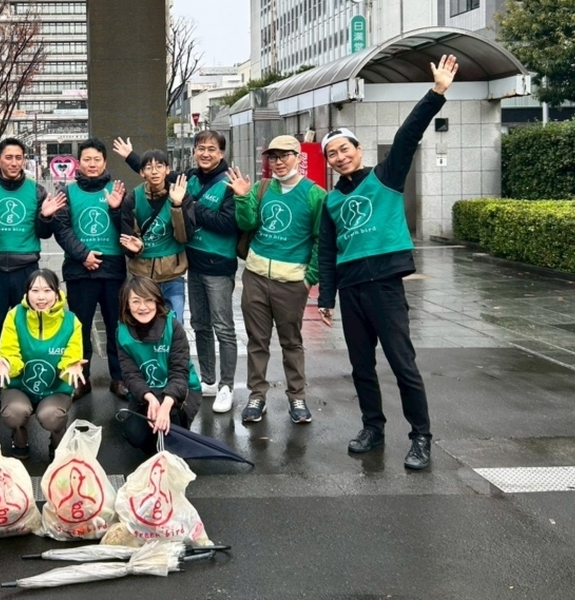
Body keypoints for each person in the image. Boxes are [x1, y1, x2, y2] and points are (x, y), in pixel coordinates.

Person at [317, 55, 460, 471]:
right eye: (332, 154)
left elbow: (407, 134)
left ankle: (421, 437)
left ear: (358, 150)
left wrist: (436, 92)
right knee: (361, 367)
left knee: (402, 364)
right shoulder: (331, 200)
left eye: (344, 149)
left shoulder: (386, 177)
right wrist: (326, 297)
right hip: (351, 290)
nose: (339, 157)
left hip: (385, 286)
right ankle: (372, 428)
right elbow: (327, 252)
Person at [115, 132, 239, 413]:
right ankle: (208, 379)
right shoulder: (189, 178)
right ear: (194, 152)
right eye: (200, 148)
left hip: (218, 264)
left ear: (221, 153)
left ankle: (227, 386)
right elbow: (156, 174)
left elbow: (226, 223)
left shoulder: (228, 182)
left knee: (223, 326)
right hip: (193, 265)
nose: (205, 153)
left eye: (211, 149)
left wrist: (187, 205)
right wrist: (132, 157)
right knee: (199, 325)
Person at [228, 136, 326, 422]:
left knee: (291, 342)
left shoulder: (315, 194)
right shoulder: (262, 188)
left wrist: (309, 279)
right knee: (257, 341)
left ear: (298, 156)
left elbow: (322, 240)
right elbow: (247, 223)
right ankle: (256, 396)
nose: (279, 162)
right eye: (273, 157)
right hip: (256, 277)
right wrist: (242, 197)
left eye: (284, 155)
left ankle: (297, 397)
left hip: (292, 282)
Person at [0, 138, 65, 407]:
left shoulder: (36, 190)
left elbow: (43, 233)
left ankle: (29, 379)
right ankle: (0, 384)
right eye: (8, 157)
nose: (14, 162)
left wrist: (46, 217)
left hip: (26, 269)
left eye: (18, 157)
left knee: (29, 325)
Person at [42, 138, 130, 400]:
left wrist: (117, 210)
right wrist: (83, 255)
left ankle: (119, 377)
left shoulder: (117, 190)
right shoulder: (67, 192)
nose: (92, 164)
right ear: (79, 163)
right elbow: (61, 229)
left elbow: (127, 227)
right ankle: (81, 378)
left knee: (117, 327)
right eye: (87, 159)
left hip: (113, 269)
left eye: (97, 159)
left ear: (105, 162)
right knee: (79, 328)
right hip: (80, 271)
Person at [0, 269, 87, 460]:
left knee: (52, 416)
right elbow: (9, 351)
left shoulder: (71, 321)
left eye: (47, 290)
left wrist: (71, 366)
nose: (41, 297)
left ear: (57, 293)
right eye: (35, 290)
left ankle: (58, 442)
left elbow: (72, 356)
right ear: (27, 293)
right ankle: (19, 439)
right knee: (14, 413)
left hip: (55, 389)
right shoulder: (15, 316)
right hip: (20, 388)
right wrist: (6, 363)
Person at [117, 276, 202, 455]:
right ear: (127, 304)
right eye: (136, 301)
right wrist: (149, 398)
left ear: (157, 301)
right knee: (137, 435)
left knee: (171, 430)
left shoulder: (173, 327)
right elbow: (130, 375)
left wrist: (166, 404)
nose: (143, 307)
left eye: (149, 300)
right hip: (147, 392)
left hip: (180, 390)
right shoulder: (122, 332)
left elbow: (179, 372)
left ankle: (177, 430)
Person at [117, 149, 194, 324]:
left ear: (167, 169)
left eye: (159, 166)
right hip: (142, 277)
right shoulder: (133, 199)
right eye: (149, 167)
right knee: (142, 324)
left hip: (172, 275)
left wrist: (177, 205)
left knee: (175, 325)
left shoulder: (181, 194)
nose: (154, 171)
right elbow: (127, 238)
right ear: (141, 172)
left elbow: (184, 236)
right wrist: (135, 248)